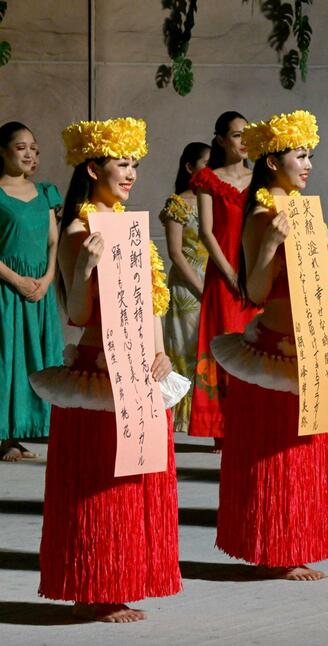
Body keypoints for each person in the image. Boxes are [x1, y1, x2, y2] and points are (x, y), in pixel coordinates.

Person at [31, 117, 181, 622]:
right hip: (99, 369)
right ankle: (93, 585)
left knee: (138, 478)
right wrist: (83, 267)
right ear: (93, 168)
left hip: (143, 370)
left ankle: (125, 577)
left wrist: (162, 351)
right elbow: (75, 313)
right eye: (122, 164)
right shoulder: (79, 230)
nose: (131, 173)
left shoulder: (129, 227)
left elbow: (152, 302)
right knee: (101, 479)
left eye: (135, 164)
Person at [210, 110, 328, 580]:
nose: (308, 164)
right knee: (278, 451)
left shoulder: (308, 212)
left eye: (310, 155)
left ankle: (299, 540)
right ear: (271, 162)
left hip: (313, 345)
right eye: (299, 155)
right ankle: (274, 545)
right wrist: (268, 243)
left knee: (307, 448)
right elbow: (254, 290)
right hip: (274, 347)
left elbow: (320, 288)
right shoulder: (263, 214)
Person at [189, 111, 259, 447]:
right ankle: (222, 428)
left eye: (248, 134)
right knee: (225, 346)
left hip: (258, 275)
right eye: (236, 135)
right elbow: (206, 232)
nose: (244, 141)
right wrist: (231, 275)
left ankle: (254, 421)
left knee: (256, 346)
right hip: (224, 275)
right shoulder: (208, 178)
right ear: (220, 140)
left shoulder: (261, 179)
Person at [0, 121, 64, 460]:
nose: (29, 153)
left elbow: (54, 241)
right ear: (2, 151)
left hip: (39, 290)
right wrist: (16, 280)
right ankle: (4, 438)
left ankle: (24, 431)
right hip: (5, 291)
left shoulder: (45, 192)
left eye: (34, 148)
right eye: (21, 146)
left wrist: (48, 278)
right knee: (4, 360)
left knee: (34, 360)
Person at [159, 142, 210, 434]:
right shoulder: (179, 202)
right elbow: (175, 253)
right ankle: (183, 417)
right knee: (184, 349)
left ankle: (209, 413)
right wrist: (200, 287)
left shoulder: (215, 201)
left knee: (210, 351)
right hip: (187, 285)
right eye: (206, 163)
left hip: (214, 283)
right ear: (190, 168)